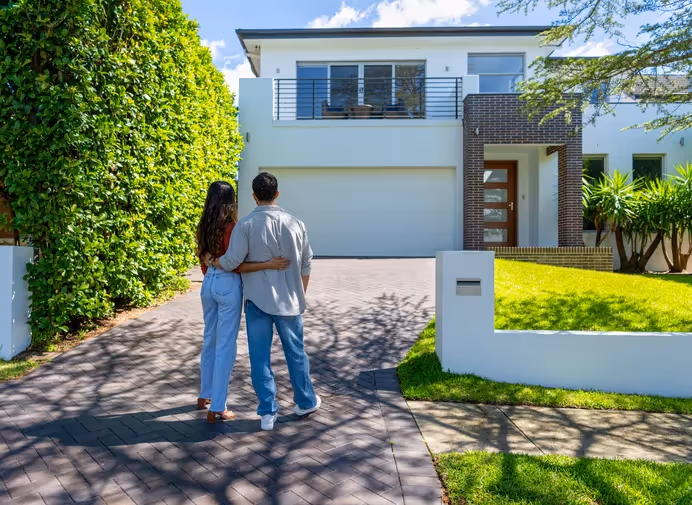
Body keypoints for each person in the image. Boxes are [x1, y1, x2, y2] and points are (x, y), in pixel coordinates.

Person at [210, 172, 320, 431]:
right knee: (296, 354)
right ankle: (305, 402)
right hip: (289, 302)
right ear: (277, 194)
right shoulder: (296, 223)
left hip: (257, 302)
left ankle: (267, 413)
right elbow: (306, 263)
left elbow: (231, 262)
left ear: (254, 196)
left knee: (260, 358)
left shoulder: (245, 226)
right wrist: (300, 293)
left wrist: (212, 261)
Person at [196, 181, 289, 424]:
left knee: (210, 338)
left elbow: (202, 257)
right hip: (227, 284)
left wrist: (211, 268)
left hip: (208, 283)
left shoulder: (203, 224)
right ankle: (218, 406)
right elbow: (235, 264)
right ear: (230, 201)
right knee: (226, 345)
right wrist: (267, 264)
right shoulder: (233, 227)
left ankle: (205, 394)